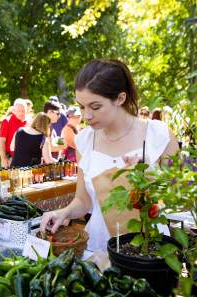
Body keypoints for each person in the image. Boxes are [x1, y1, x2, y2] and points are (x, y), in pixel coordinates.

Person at [40, 59, 179, 252]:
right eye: (81, 106)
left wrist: (151, 175)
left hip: (149, 250)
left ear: (120, 98)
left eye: (95, 107)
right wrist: (64, 212)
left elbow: (179, 198)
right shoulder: (85, 141)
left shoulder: (158, 135)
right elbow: (83, 200)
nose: (86, 115)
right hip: (99, 248)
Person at [0, 99, 27, 168]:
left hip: (27, 158)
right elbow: (1, 142)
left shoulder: (29, 121)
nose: (21, 113)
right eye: (19, 111)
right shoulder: (6, 122)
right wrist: (3, 159)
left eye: (23, 111)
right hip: (11, 158)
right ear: (14, 111)